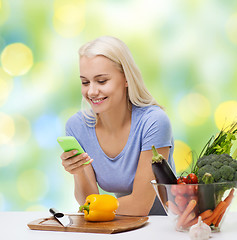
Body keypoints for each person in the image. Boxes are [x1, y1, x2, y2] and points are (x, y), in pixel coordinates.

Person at [60, 36, 176, 216]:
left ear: (126, 79)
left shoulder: (153, 122)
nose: (91, 91)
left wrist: (91, 209)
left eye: (101, 81)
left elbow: (140, 206)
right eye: (85, 82)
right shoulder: (77, 127)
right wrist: (78, 170)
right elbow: (89, 202)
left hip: (166, 225)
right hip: (119, 226)